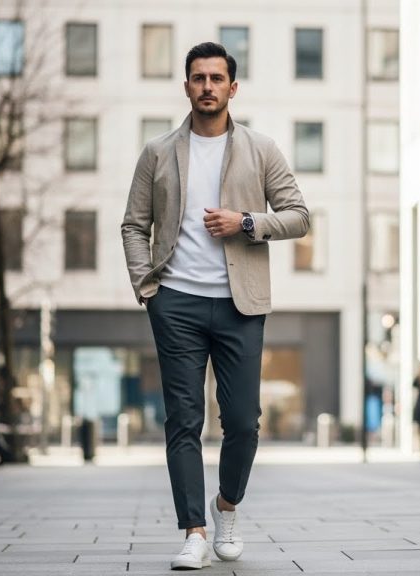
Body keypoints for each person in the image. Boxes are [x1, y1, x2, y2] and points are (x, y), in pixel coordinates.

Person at [121, 42, 310, 570]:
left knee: (244, 422)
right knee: (183, 419)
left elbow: (298, 215)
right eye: (198, 78)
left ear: (233, 87)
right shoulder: (157, 153)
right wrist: (147, 286)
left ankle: (226, 507)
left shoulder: (261, 149)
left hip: (239, 305)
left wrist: (246, 222)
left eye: (216, 78)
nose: (207, 86)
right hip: (175, 301)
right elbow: (134, 224)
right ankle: (194, 531)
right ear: (186, 87)